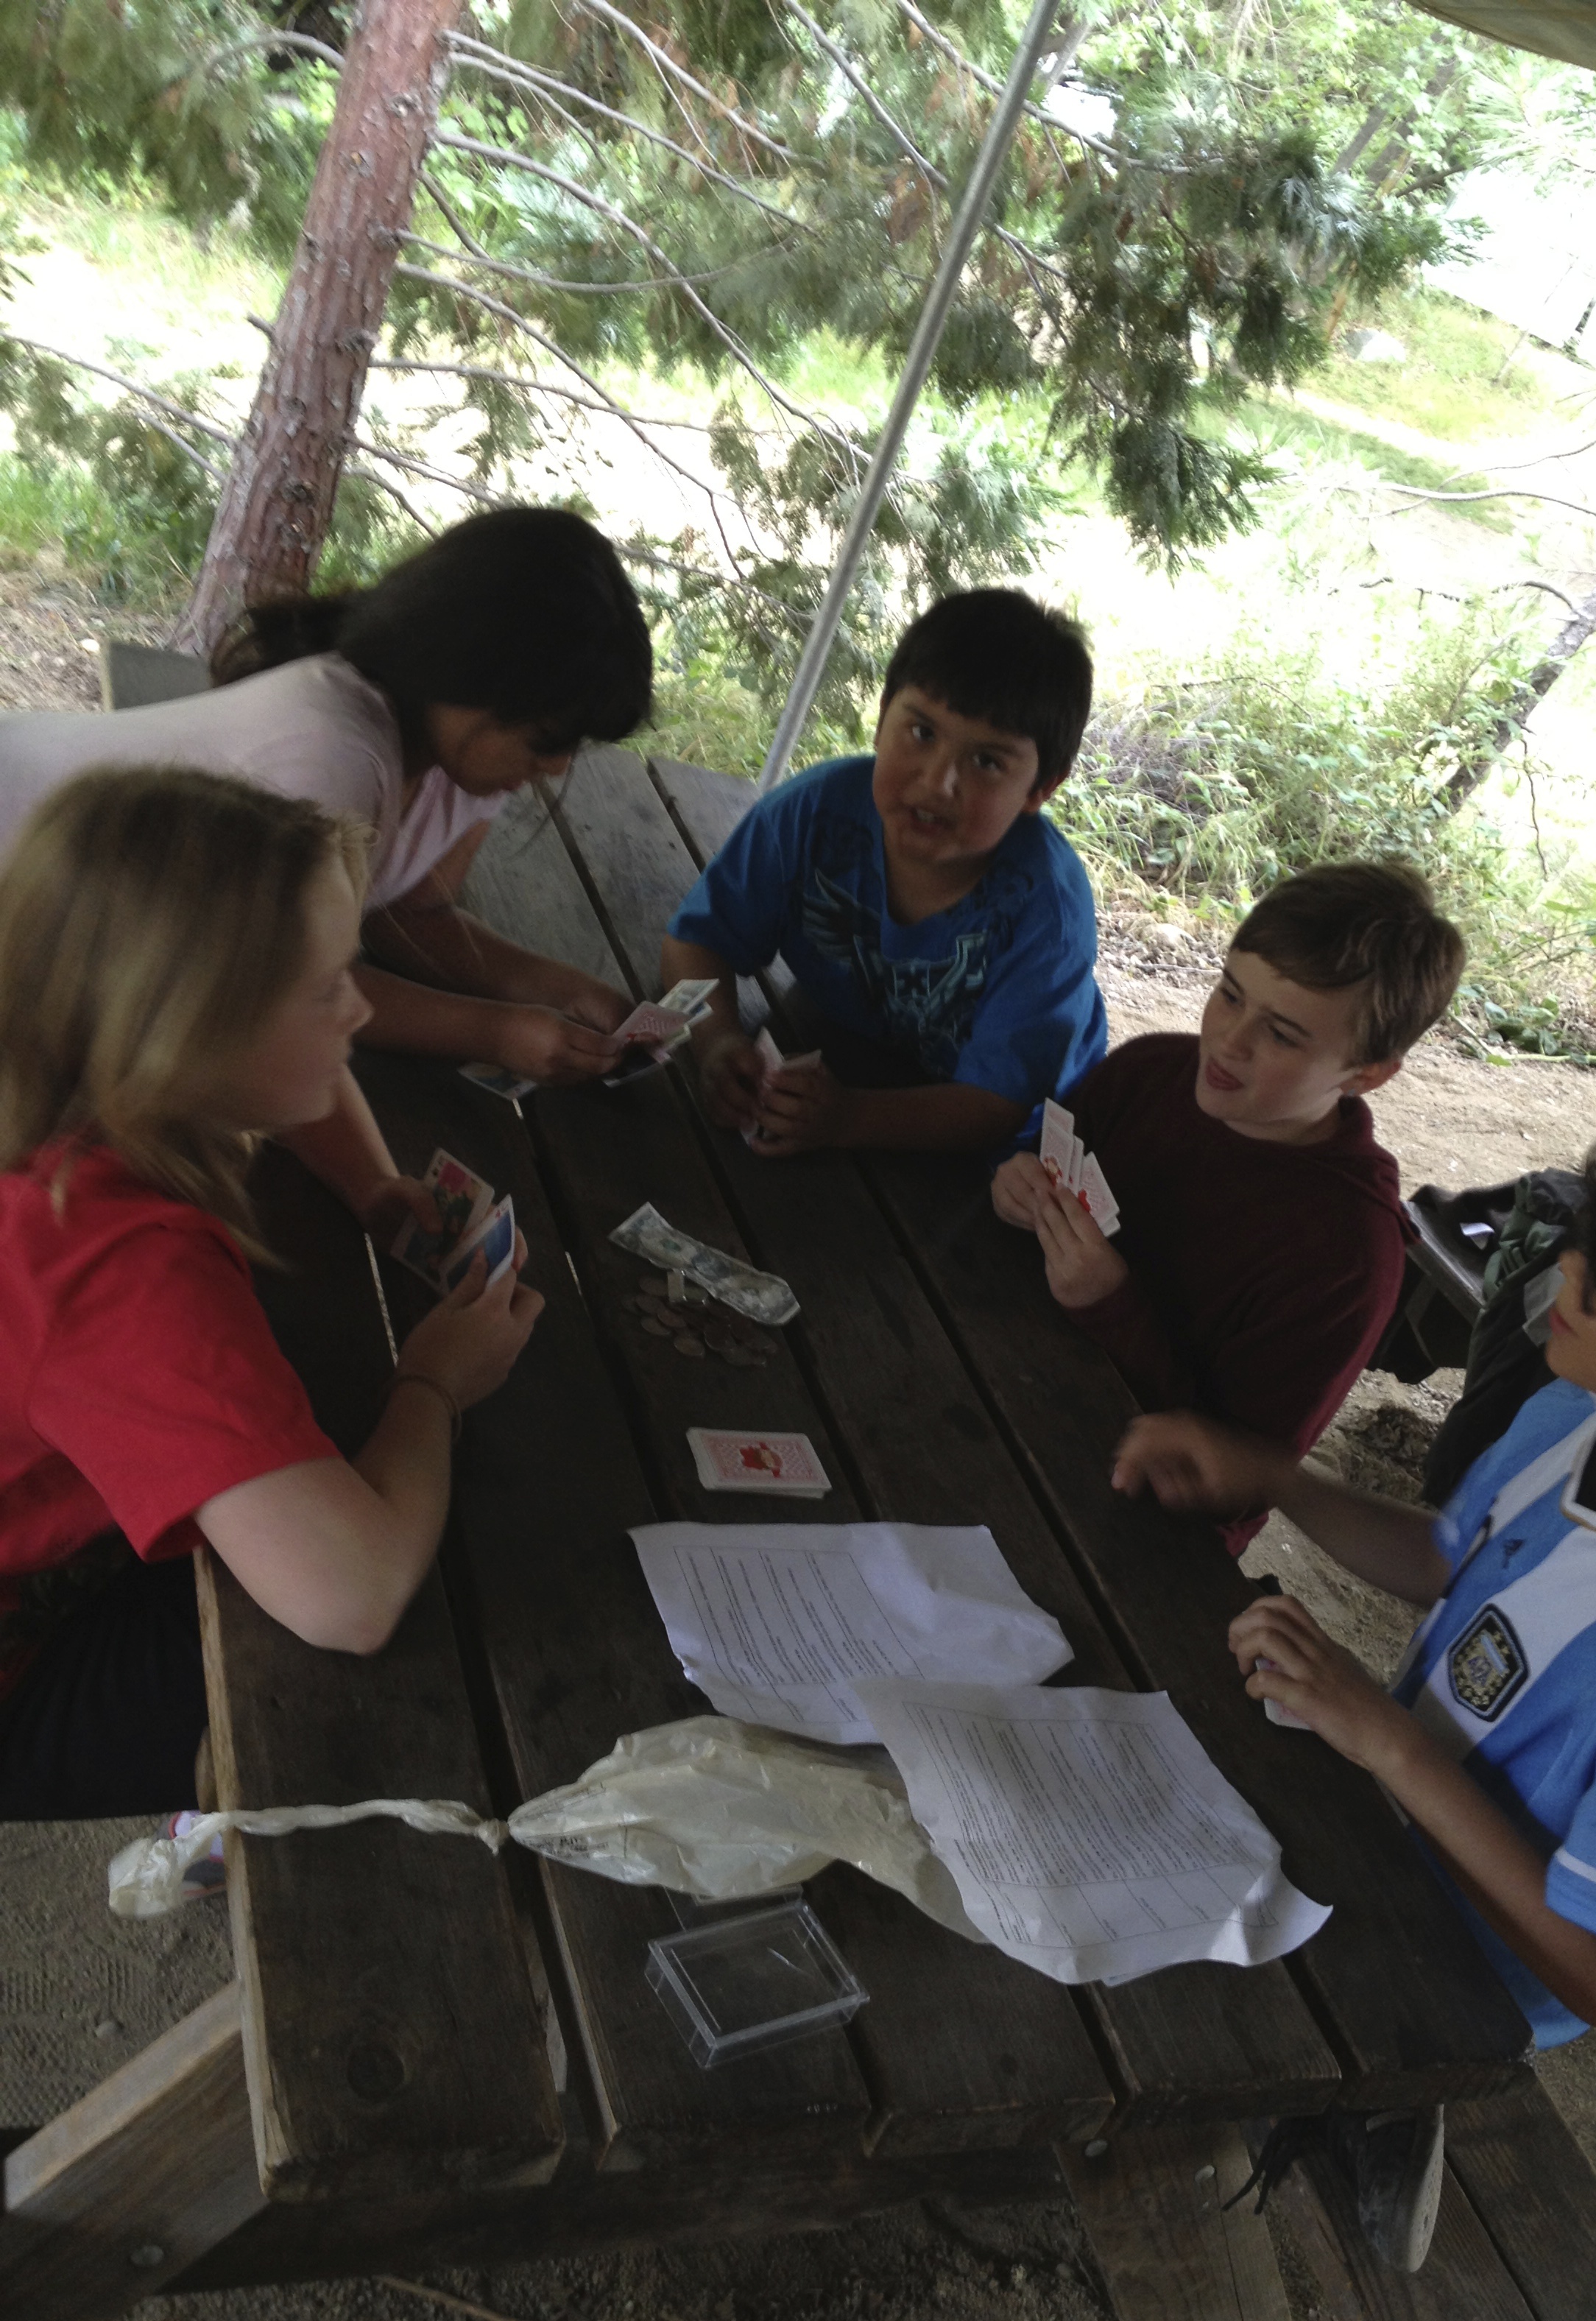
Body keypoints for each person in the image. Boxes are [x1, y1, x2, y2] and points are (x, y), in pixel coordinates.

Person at [1115, 1108, 1596, 2268]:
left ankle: (1398, 2091)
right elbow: (1447, 1560)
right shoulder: (1576, 1414)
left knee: (1190, 2033)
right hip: (1378, 1821)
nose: (1563, 1271)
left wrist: (1389, 1742)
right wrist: (1274, 1474)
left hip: (1465, 1964)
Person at [0, 767, 543, 1821]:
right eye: (327, 985)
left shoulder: (58, 1065)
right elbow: (353, 1595)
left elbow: (299, 1075)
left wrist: (371, 1185)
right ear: (191, 1031)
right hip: (19, 1680)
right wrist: (434, 1382)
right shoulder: (119, 1266)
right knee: (370, 1664)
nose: (361, 1008)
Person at [0, 507, 654, 1087]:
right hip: (27, 900)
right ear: (466, 672)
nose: (556, 766)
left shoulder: (469, 759)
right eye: (545, 739)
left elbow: (413, 914)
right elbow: (278, 988)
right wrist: (495, 1032)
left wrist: (558, 988)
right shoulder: (335, 754)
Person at [991, 860, 1464, 1551]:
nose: (1228, 1041)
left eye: (1282, 1034)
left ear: (1367, 1075)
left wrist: (1110, 1303)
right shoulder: (1149, 1072)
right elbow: (1036, 1186)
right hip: (998, 1371)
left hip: (1129, 1518)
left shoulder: (1348, 1253)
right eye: (1230, 994)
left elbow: (1241, 1478)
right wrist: (1016, 1190)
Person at [660, 588, 1108, 1155]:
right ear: (880, 718)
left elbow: (996, 1105)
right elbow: (694, 943)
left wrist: (850, 1121)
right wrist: (719, 1045)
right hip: (849, 1043)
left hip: (1011, 1139)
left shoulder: (1047, 914)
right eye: (922, 733)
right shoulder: (811, 814)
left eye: (987, 762)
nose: (938, 782)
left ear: (1041, 789)